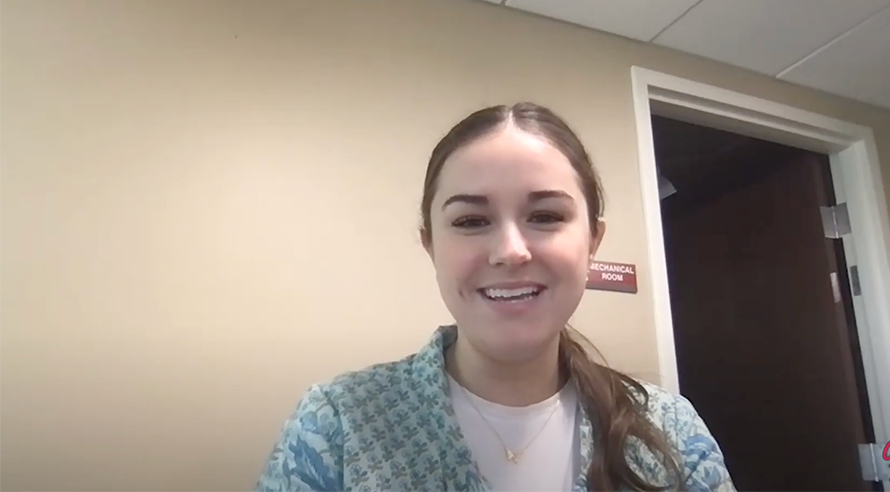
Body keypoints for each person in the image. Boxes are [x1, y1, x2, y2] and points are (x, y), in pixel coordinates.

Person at [254, 102, 736, 492]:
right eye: (470, 221)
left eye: (546, 216)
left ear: (593, 241)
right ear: (431, 246)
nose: (511, 251)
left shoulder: (670, 430)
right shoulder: (335, 423)